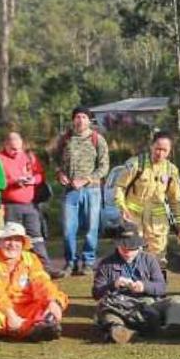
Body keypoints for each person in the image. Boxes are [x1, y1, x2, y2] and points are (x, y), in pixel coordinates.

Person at [91, 222, 180, 343]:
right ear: (117, 245)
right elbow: (96, 293)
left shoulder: (150, 260)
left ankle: (173, 327)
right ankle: (119, 330)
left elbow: (161, 287)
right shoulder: (106, 264)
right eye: (124, 247)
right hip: (118, 306)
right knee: (104, 309)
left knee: (178, 300)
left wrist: (144, 286)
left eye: (132, 248)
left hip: (149, 305)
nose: (128, 251)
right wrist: (113, 285)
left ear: (139, 246)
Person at [0, 221, 69, 341]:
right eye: (8, 239)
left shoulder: (31, 258)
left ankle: (33, 327)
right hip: (1, 311)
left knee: (58, 297)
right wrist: (10, 314)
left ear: (23, 244)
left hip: (27, 307)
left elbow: (42, 283)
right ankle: (30, 329)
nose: (12, 244)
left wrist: (53, 303)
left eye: (17, 240)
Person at [114, 129, 180, 263]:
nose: (160, 153)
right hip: (133, 221)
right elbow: (119, 187)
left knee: (158, 261)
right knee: (132, 258)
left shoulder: (171, 171)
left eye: (165, 150)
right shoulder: (136, 164)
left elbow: (176, 199)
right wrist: (123, 208)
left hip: (158, 225)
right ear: (151, 146)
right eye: (158, 148)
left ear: (170, 151)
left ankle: (158, 283)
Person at [55, 106, 109, 275]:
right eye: (77, 117)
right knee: (68, 229)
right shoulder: (65, 139)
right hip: (70, 192)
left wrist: (86, 179)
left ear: (89, 120)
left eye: (84, 117)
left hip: (91, 191)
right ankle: (70, 262)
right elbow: (56, 161)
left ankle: (88, 262)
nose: (80, 120)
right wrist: (60, 174)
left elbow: (104, 166)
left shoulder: (97, 139)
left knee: (91, 228)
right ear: (73, 120)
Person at [0, 129, 59, 274]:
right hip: (10, 205)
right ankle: (12, 270)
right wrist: (14, 181)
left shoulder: (28, 157)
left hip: (30, 205)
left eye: (18, 148)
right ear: (6, 144)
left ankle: (45, 268)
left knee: (36, 237)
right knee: (12, 240)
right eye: (13, 149)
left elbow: (40, 175)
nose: (16, 152)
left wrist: (33, 180)